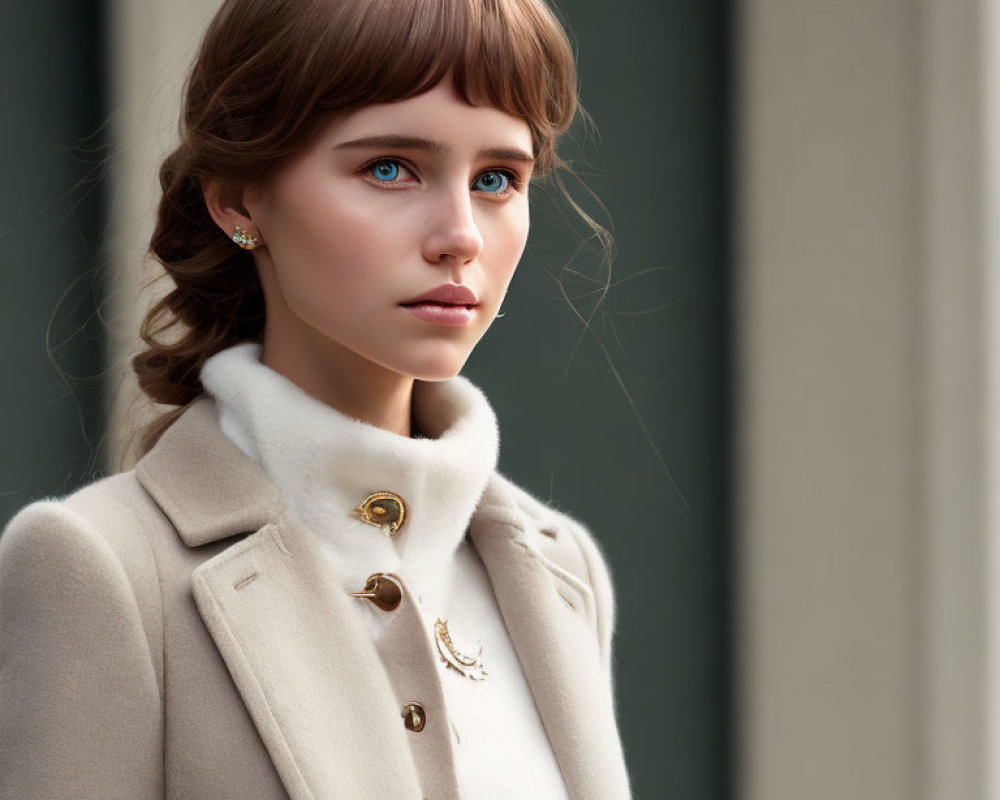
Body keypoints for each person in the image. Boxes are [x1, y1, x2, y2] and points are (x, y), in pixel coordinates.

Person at [0, 0, 631, 797]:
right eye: (391, 167)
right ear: (237, 198)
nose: (461, 234)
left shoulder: (557, 566)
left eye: (498, 178)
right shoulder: (102, 569)